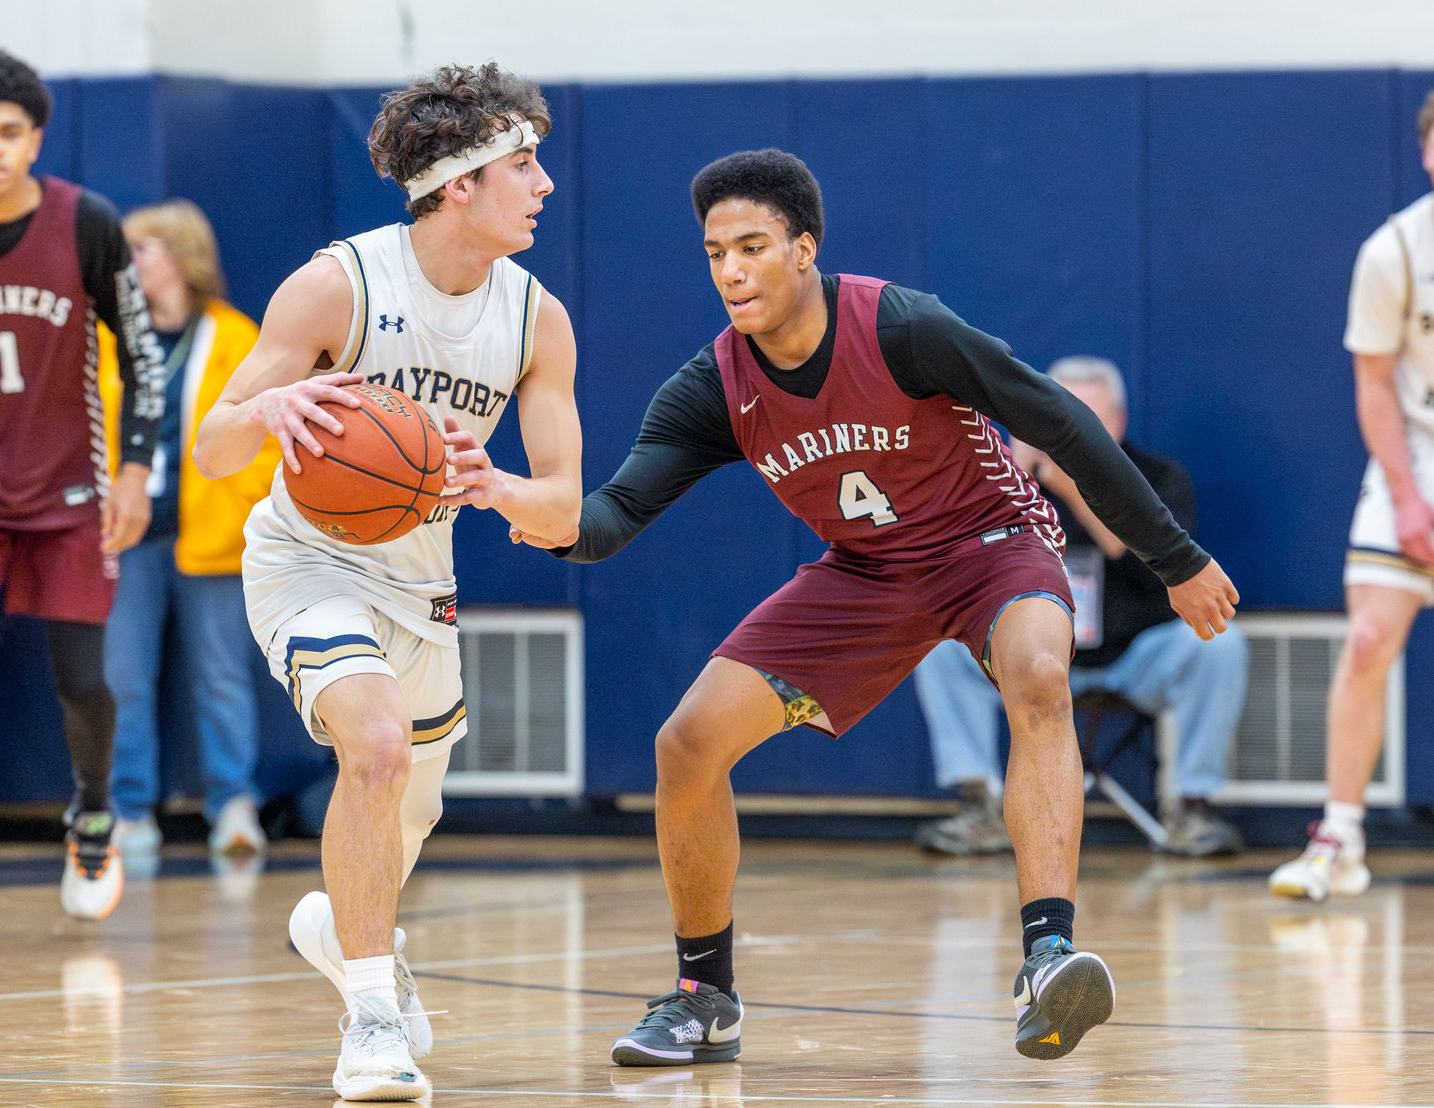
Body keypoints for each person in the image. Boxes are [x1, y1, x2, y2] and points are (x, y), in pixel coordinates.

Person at [514, 149, 1237, 1064]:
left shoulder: (903, 326)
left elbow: (1059, 420)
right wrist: (530, 511)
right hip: (867, 573)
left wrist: (1175, 558)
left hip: (990, 542)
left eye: (751, 246)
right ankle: (706, 998)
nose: (730, 271)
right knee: (685, 743)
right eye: (713, 253)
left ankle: (1047, 954)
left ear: (804, 248)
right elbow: (612, 517)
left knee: (1040, 673)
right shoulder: (714, 386)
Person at [192, 64, 581, 1101]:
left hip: (424, 586)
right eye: (523, 162)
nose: (544, 183)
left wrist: (494, 482)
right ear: (458, 184)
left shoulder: (538, 321)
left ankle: (346, 929)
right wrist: (266, 414)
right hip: (308, 560)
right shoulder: (337, 286)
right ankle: (369, 1018)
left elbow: (566, 509)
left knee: (401, 808)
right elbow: (212, 450)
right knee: (368, 746)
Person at [0, 50, 163, 944]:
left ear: (35, 139)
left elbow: (143, 357)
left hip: (73, 486)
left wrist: (137, 471)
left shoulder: (86, 223)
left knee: (82, 678)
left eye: (9, 133)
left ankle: (93, 815)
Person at [912, 356, 1247, 857]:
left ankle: (1191, 808)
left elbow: (1156, 571)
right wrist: (1015, 474)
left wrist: (1076, 486)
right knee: (939, 649)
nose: (1074, 430)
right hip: (1031, 656)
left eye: (1088, 417)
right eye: (1061, 413)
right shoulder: (1013, 479)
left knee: (1220, 646)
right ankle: (980, 805)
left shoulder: (1159, 478)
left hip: (1135, 656)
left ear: (1118, 421)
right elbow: (962, 567)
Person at [1269, 90, 1434, 900]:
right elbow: (1373, 386)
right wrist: (1407, 498)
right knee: (1368, 641)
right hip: (1418, 452)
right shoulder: (1394, 252)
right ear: (1427, 151)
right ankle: (1340, 836)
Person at [99, 200, 276, 861]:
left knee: (223, 674)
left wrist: (241, 504)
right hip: (128, 533)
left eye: (140, 250)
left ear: (180, 257)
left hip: (214, 536)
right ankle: (127, 809)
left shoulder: (237, 337)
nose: (128, 263)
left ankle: (233, 805)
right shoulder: (107, 334)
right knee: (123, 677)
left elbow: (267, 436)